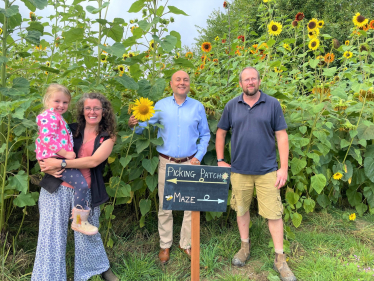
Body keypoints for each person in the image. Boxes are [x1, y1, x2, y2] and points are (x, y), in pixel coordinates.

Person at [216, 67, 296, 281]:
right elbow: (221, 132)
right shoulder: (231, 105)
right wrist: (220, 160)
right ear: (240, 83)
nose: (250, 82)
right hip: (239, 170)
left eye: (253, 79)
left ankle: (280, 259)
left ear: (259, 81)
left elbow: (282, 136)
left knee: (274, 214)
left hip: (267, 170)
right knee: (241, 209)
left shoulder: (272, 104)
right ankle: (244, 247)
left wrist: (284, 168)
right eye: (246, 79)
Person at [32, 92, 119, 281]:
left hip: (85, 190)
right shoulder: (70, 129)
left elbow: (93, 161)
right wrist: (45, 162)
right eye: (88, 108)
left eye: (97, 108)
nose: (92, 111)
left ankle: (100, 269)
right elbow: (46, 142)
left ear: (104, 111)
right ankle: (47, 277)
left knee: (87, 234)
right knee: (50, 236)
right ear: (82, 110)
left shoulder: (107, 137)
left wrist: (61, 164)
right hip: (56, 189)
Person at [128, 70, 210, 264]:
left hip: (191, 162)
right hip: (167, 162)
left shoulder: (197, 107)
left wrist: (199, 156)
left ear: (189, 84)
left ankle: (185, 243)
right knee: (166, 205)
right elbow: (146, 126)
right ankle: (165, 244)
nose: (182, 83)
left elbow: (205, 134)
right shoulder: (161, 106)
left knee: (191, 205)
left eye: (186, 80)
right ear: (171, 84)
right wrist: (134, 125)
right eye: (178, 80)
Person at [35, 84, 97, 235]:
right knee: (81, 185)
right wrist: (66, 153)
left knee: (80, 184)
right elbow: (46, 139)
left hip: (57, 158)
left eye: (65, 102)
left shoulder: (57, 117)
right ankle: (79, 221)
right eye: (57, 101)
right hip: (56, 157)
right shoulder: (48, 116)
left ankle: (78, 220)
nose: (61, 105)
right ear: (47, 100)